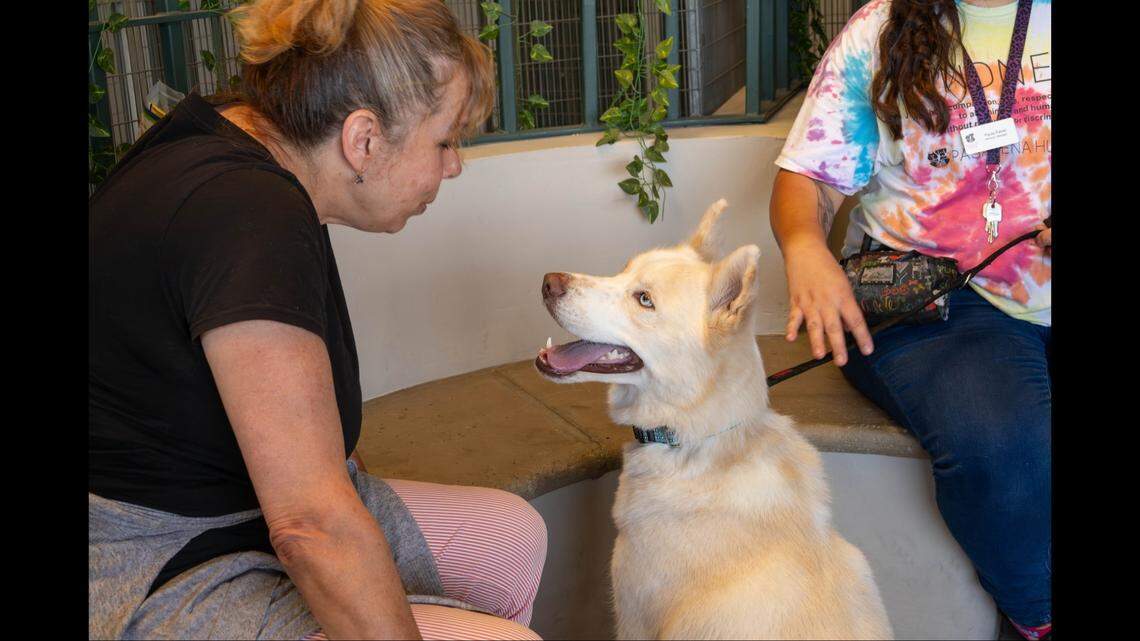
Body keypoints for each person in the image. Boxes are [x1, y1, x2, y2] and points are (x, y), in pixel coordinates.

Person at [88, 0, 547, 638]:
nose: (453, 165)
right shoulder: (251, 217)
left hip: (238, 508)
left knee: (512, 538)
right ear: (362, 140)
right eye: (443, 140)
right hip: (157, 561)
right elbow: (309, 526)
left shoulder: (238, 134)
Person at [769, 0, 1050, 639]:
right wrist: (806, 247)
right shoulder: (881, 28)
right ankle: (1039, 618)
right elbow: (807, 180)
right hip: (931, 298)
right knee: (1007, 446)